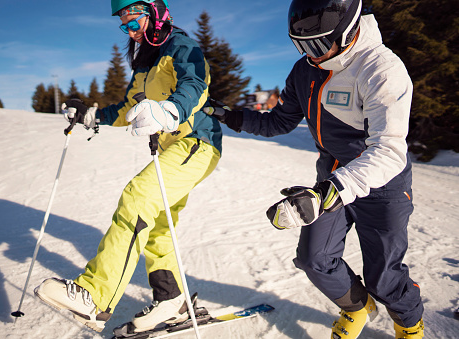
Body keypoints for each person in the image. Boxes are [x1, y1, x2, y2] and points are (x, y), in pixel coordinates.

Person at [205, 0, 424, 337]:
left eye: (320, 44)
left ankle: (409, 325)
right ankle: (356, 308)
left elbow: (389, 150)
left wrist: (329, 191)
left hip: (381, 185)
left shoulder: (381, 68)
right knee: (314, 260)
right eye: (302, 45)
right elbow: (279, 121)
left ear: (349, 29)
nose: (313, 55)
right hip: (331, 179)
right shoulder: (303, 71)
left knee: (385, 278)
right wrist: (230, 115)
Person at [34, 0, 222, 333]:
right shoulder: (144, 65)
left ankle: (95, 296)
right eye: (125, 27)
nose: (131, 32)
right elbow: (127, 108)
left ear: (156, 13)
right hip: (173, 147)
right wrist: (94, 117)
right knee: (159, 225)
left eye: (134, 23)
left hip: (196, 142)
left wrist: (170, 110)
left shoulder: (180, 46)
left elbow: (195, 84)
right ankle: (172, 301)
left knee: (137, 199)